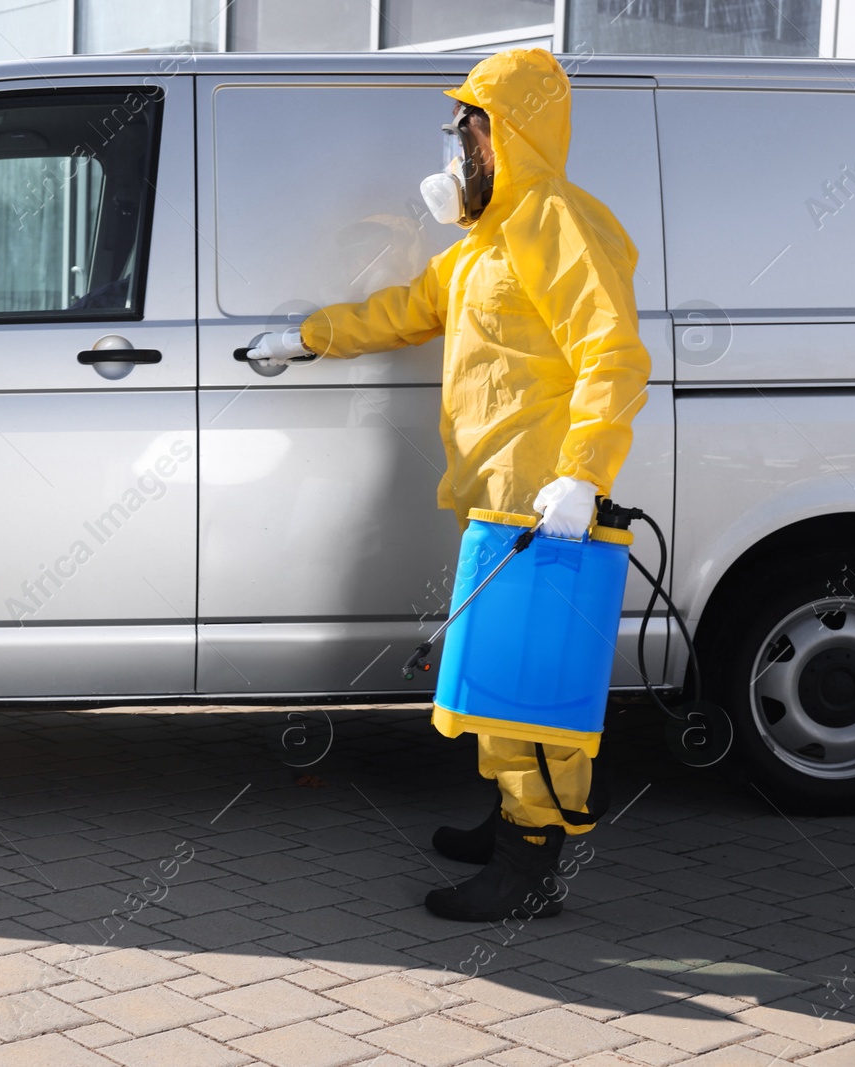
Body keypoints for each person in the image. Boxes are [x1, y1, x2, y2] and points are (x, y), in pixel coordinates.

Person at [248, 48, 651, 922]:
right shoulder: (483, 244)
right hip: (496, 500)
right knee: (492, 675)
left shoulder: (557, 219)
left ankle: (528, 867)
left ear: (507, 135)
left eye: (468, 128)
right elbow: (406, 310)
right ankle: (508, 816)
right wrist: (307, 337)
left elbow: (612, 354)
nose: (455, 147)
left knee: (530, 693)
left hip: (544, 507)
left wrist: (582, 476)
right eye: (458, 129)